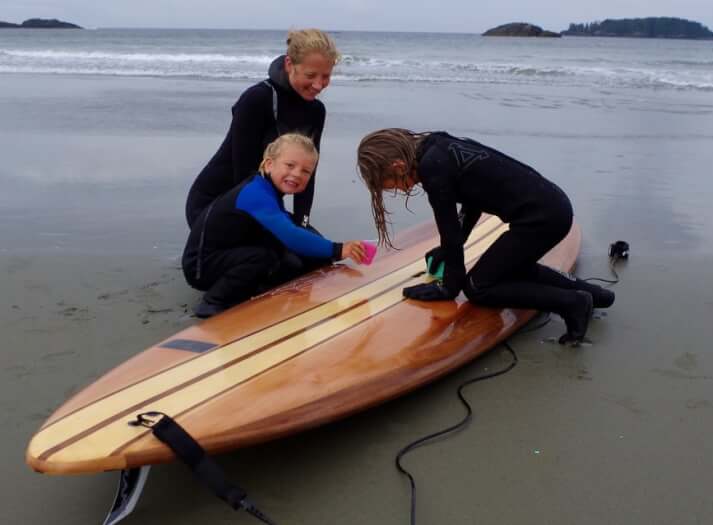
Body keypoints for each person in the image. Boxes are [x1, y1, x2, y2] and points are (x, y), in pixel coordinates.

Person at [356, 129, 614, 344]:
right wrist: (448, 252)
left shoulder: (432, 169)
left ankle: (573, 303)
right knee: (512, 269)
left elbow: (449, 232)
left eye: (392, 186)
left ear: (398, 166)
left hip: (539, 220)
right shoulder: (437, 146)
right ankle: (596, 295)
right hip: (552, 206)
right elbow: (472, 201)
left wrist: (449, 287)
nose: (400, 190)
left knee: (479, 287)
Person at [183, 133, 366, 318]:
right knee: (263, 257)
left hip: (230, 254)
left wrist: (323, 257)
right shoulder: (255, 193)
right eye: (290, 165)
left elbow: (295, 230)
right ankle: (213, 302)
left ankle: (259, 290)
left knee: (291, 257)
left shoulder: (268, 190)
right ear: (269, 164)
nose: (296, 174)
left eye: (305, 171)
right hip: (201, 267)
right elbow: (291, 236)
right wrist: (338, 249)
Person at [185, 28, 339, 229]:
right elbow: (243, 173)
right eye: (311, 75)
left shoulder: (316, 111)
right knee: (284, 258)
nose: (318, 85)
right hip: (217, 204)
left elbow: (308, 174)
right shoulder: (257, 99)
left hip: (264, 204)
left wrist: (303, 222)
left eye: (325, 76)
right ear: (289, 64)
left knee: (311, 250)